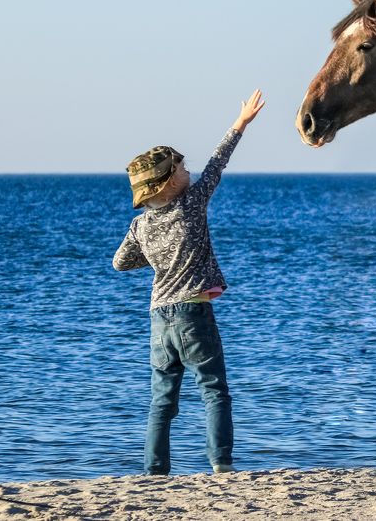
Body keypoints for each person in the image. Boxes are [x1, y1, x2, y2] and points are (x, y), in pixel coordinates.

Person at [112, 89, 265, 475]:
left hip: (159, 317)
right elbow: (218, 164)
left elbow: (119, 263)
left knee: (162, 400)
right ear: (167, 183)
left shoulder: (140, 224)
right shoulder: (190, 205)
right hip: (194, 312)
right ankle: (222, 466)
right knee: (214, 390)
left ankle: (155, 471)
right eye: (180, 169)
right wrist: (241, 122)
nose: (188, 171)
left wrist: (159, 259)